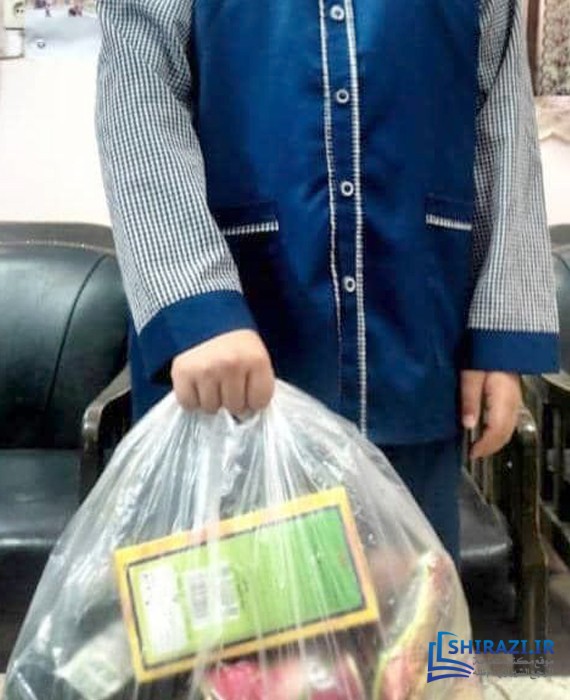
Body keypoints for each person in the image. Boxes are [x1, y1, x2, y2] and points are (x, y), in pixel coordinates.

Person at [96, 0, 559, 564]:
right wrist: (196, 303)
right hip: (234, 355)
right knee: (232, 606)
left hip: (412, 335)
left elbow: (502, 121)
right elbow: (139, 91)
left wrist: (500, 328)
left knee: (408, 601)